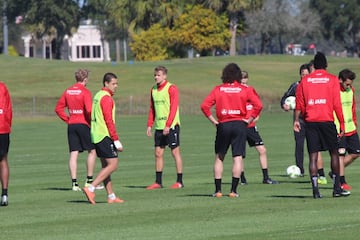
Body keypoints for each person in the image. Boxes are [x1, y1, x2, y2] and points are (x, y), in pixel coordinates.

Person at [200, 63, 263, 198]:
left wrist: (214, 121)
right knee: (238, 157)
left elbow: (204, 106)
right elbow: (259, 105)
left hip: (223, 124)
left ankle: (217, 191)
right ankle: (234, 191)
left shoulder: (218, 89)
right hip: (240, 124)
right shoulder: (244, 89)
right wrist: (249, 120)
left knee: (219, 157)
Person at [294, 52, 349, 198]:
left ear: (314, 65)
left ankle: (315, 190)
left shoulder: (305, 81)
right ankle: (336, 188)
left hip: (311, 121)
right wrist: (342, 123)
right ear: (325, 65)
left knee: (313, 156)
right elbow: (337, 104)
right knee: (334, 154)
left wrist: (298, 119)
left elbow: (300, 103)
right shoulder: (332, 80)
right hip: (327, 120)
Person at [280, 63, 327, 184]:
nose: (304, 77)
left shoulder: (314, 85)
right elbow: (284, 98)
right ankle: (300, 169)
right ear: (300, 75)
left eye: (306, 74)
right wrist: (284, 105)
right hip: (299, 121)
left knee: (315, 147)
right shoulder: (295, 86)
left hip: (312, 119)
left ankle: (320, 173)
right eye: (302, 75)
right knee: (299, 145)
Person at [82, 72, 124, 204]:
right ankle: (91, 187)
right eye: (113, 84)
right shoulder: (106, 98)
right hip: (104, 135)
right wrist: (116, 139)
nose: (115, 86)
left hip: (96, 134)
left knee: (106, 166)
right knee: (113, 164)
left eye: (116, 84)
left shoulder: (97, 95)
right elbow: (108, 120)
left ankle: (111, 196)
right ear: (106, 83)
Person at [55, 69, 100, 191]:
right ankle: (89, 181)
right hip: (83, 124)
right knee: (92, 151)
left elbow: (58, 109)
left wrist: (68, 120)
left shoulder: (68, 91)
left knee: (73, 154)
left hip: (72, 125)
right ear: (85, 79)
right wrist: (93, 122)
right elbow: (89, 110)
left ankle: (74, 184)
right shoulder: (85, 92)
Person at [146, 66, 184, 190]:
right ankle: (158, 182)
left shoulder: (171, 88)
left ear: (165, 76)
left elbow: (173, 108)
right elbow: (152, 109)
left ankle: (179, 181)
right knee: (158, 153)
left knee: (175, 152)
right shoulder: (153, 90)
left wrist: (168, 125)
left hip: (171, 126)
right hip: (159, 127)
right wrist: (149, 125)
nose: (156, 77)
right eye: (155, 75)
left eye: (159, 75)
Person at [239, 70, 278, 185]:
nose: (243, 80)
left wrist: (256, 116)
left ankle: (266, 177)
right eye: (241, 78)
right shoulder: (237, 92)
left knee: (262, 149)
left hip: (251, 126)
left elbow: (257, 104)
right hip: (240, 125)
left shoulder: (250, 90)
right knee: (240, 154)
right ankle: (242, 179)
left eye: (245, 77)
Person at [331, 69, 360, 191]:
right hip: (339, 129)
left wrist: (354, 121)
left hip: (351, 128)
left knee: (356, 153)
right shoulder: (333, 92)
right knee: (341, 155)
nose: (349, 86)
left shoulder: (351, 90)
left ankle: (335, 171)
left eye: (350, 84)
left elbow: (352, 107)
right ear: (340, 80)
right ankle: (341, 181)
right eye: (347, 84)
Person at [0, 82, 12, 206]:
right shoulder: (2, 87)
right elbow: (8, 110)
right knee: (3, 160)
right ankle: (4, 194)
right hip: (3, 128)